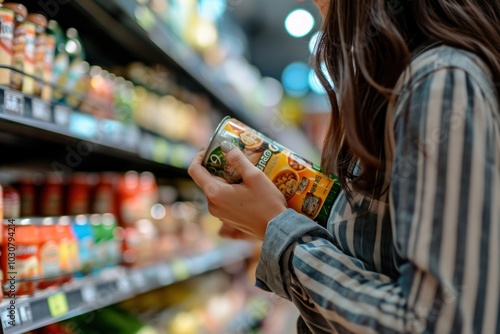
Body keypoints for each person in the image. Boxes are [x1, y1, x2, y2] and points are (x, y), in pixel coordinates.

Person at [189, 0, 500, 333]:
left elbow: (441, 323)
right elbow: (380, 255)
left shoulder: (440, 83)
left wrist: (280, 233)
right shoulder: (402, 85)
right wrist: (274, 215)